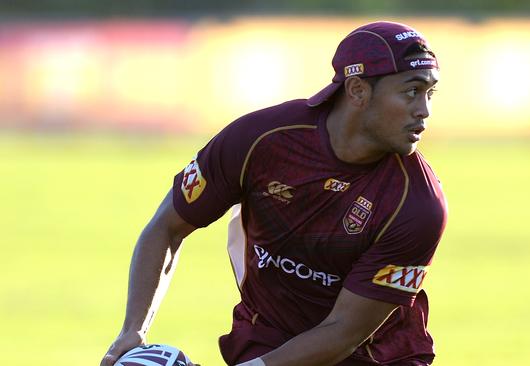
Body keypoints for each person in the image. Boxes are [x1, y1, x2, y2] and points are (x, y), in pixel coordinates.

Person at [101, 20, 447, 366]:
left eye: (430, 93)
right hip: (266, 338)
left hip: (374, 357)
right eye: (411, 91)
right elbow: (167, 227)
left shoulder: (417, 204)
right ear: (357, 90)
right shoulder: (258, 140)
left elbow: (343, 332)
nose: (424, 111)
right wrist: (133, 331)